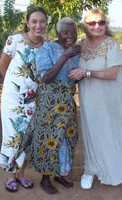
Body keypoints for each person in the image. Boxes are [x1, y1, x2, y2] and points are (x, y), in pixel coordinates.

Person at [69, 8, 122, 189]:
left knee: (109, 133)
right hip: (89, 98)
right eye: (92, 23)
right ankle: (91, 169)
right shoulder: (82, 44)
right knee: (91, 133)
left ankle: (112, 171)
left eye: (101, 22)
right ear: (85, 25)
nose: (97, 26)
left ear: (106, 24)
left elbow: (112, 74)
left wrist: (86, 72)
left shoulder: (112, 44)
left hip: (108, 99)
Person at [23, 17, 81, 194]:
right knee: (48, 140)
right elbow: (46, 78)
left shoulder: (77, 51)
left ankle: (60, 173)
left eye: (73, 32)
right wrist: (64, 56)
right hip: (49, 102)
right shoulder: (46, 49)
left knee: (67, 138)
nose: (70, 36)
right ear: (57, 33)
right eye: (66, 32)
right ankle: (45, 179)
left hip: (68, 102)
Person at [0, 6, 48, 192]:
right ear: (27, 23)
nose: (38, 25)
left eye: (42, 21)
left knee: (27, 137)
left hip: (34, 100)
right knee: (12, 136)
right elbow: (3, 67)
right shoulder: (15, 40)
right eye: (34, 21)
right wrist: (14, 87)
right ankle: (11, 176)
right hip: (13, 100)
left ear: (46, 23)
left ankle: (21, 174)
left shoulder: (46, 45)